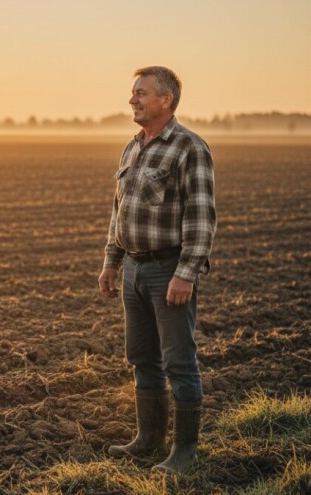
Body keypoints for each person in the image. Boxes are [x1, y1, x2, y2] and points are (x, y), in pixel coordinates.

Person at [98, 66, 216, 474]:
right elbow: (119, 211)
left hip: (169, 271)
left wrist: (186, 273)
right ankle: (148, 440)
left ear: (165, 100)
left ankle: (184, 452)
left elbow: (201, 218)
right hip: (133, 269)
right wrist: (111, 262)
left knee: (179, 362)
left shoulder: (189, 148)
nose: (132, 99)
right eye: (132, 92)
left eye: (141, 93)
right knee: (142, 359)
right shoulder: (133, 147)